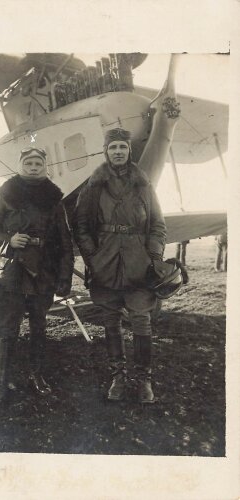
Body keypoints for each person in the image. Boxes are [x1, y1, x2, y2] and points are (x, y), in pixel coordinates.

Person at [73, 128, 166, 403]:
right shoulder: (94, 184)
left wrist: (153, 257)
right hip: (105, 262)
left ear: (129, 151)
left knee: (141, 318)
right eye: (113, 147)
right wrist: (94, 257)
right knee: (111, 319)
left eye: (122, 148)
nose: (118, 152)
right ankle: (118, 376)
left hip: (139, 263)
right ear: (106, 151)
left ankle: (144, 379)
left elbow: (158, 225)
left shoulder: (143, 184)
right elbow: (80, 225)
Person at [0, 147, 74, 410]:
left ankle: (36, 375)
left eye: (38, 163)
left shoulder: (55, 200)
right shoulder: (5, 195)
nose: (33, 166)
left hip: (43, 272)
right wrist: (8, 242)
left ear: (45, 167)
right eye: (28, 162)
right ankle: (0, 383)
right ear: (20, 166)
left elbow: (65, 243)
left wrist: (64, 279)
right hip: (12, 273)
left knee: (39, 326)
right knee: (7, 327)